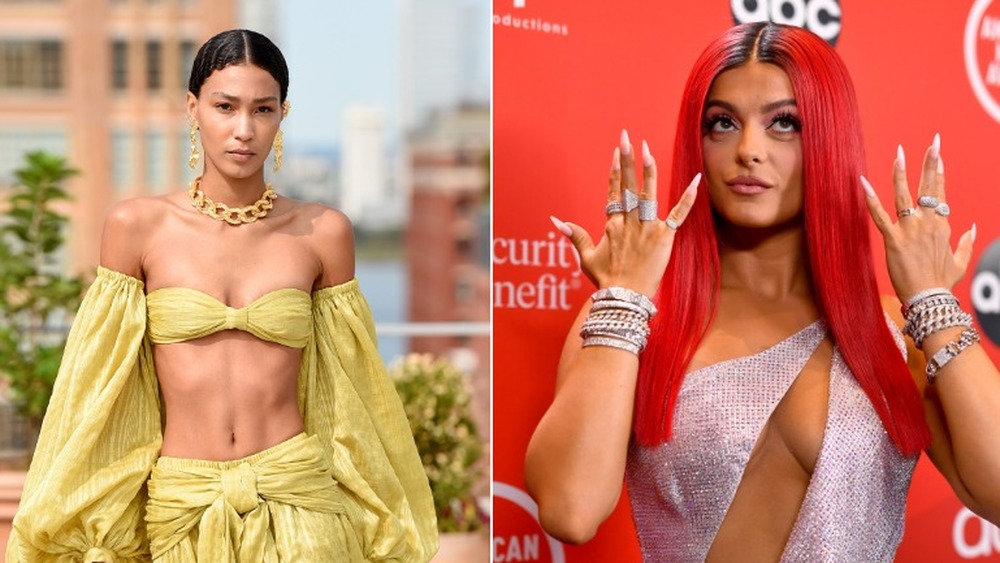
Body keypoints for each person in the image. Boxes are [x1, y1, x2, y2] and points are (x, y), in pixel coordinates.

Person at [525, 21, 1000, 562]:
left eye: (784, 123)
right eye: (723, 123)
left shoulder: (894, 335)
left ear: (828, 136)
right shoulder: (636, 320)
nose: (748, 149)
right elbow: (570, 510)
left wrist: (933, 301)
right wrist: (625, 298)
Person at [7, 29, 437, 562]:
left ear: (282, 114)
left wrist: (376, 511)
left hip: (297, 494)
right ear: (193, 108)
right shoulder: (136, 227)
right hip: (183, 500)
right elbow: (99, 389)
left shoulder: (324, 232)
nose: (243, 130)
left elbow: (350, 394)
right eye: (225, 106)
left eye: (262, 109)